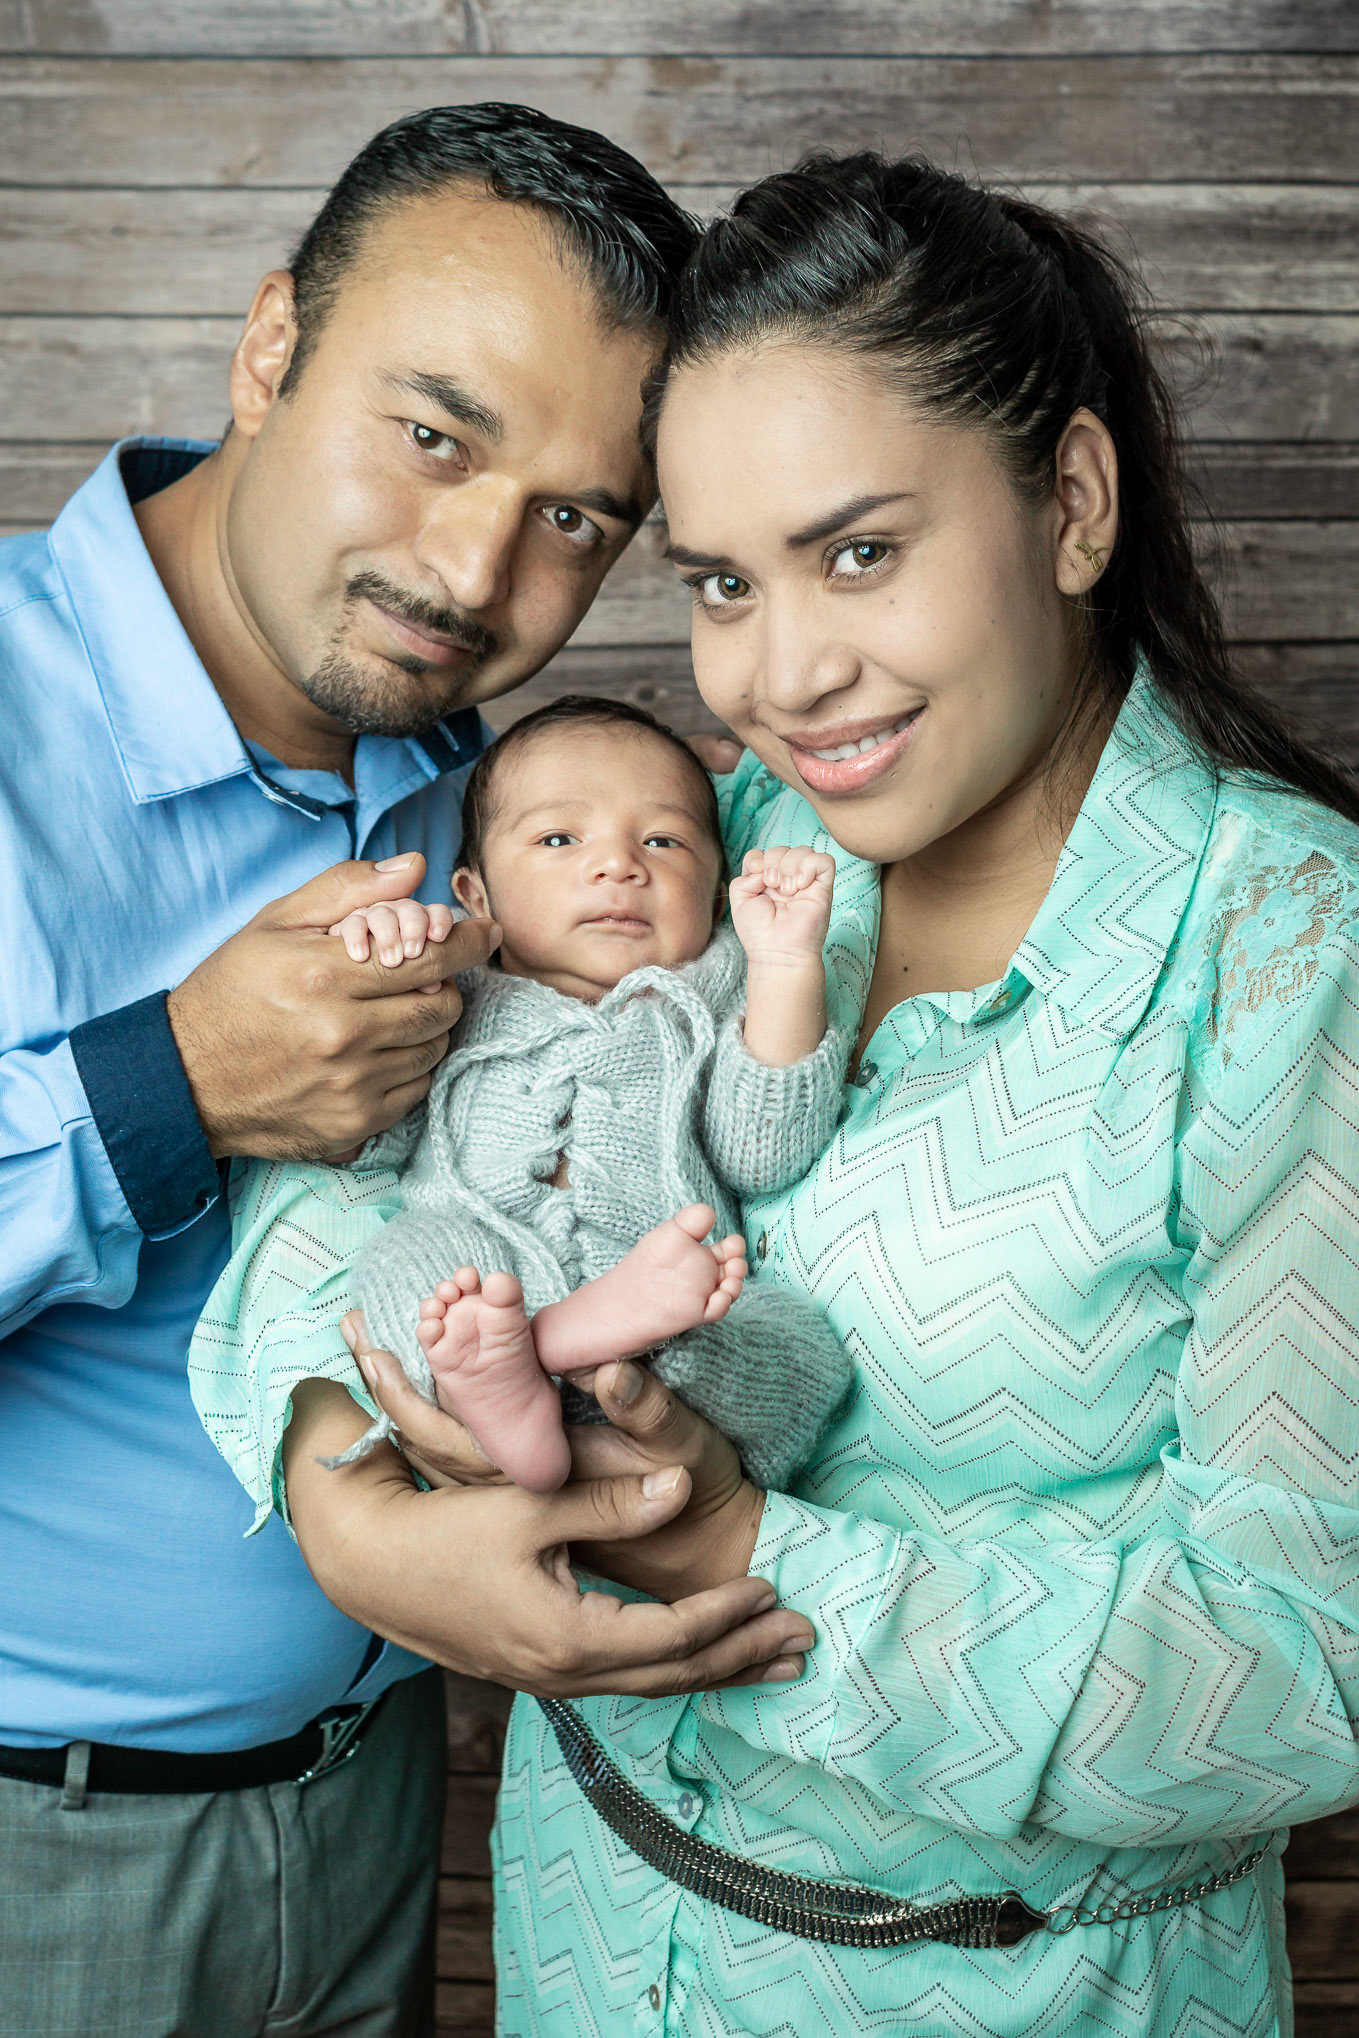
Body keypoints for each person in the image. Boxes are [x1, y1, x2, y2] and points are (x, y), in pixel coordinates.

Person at [329, 152, 1359, 2034]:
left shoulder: (1290, 950)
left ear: (1067, 499)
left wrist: (746, 1561)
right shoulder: (716, 831)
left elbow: (1308, 1670)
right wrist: (345, 1493)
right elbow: (383, 1167)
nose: (782, 671)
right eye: (720, 579)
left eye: (857, 551)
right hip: (580, 1933)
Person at [0, 105, 816, 2038]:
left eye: (573, 518)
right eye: (433, 433)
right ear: (271, 345)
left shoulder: (494, 792)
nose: (471, 569)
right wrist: (161, 1087)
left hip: (387, 1800)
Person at [189, 693, 853, 1502]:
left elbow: (761, 1153)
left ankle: (571, 1351)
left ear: (716, 893)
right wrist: (379, 963)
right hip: (485, 1283)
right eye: (558, 838)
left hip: (661, 1290)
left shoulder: (714, 989)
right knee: (412, 1267)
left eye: (662, 839)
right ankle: (520, 1379)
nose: (618, 864)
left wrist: (785, 967)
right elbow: (358, 1134)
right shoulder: (448, 997)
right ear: (476, 896)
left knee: (804, 1351)